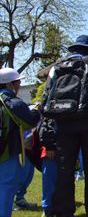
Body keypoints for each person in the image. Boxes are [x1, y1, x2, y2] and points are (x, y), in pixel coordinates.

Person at [49, 35, 88, 217]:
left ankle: (64, 211)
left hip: (63, 125)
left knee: (64, 169)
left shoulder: (57, 67)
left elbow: (49, 95)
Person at [0, 68, 41, 217]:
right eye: (17, 82)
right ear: (10, 84)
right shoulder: (12, 102)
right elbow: (30, 121)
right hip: (5, 153)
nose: (19, 85)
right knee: (6, 187)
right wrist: (37, 111)